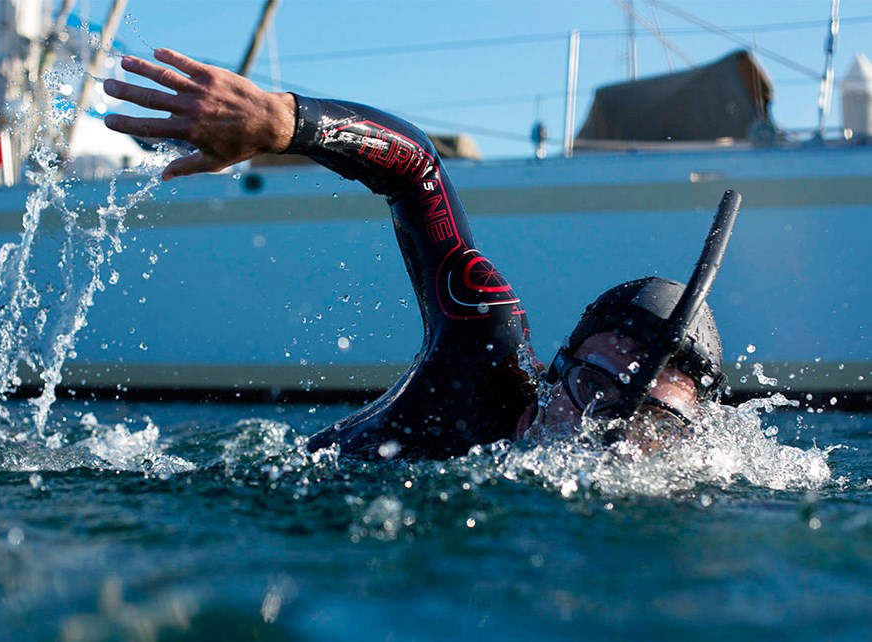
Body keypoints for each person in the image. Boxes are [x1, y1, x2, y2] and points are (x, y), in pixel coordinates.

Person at [103, 49, 728, 460]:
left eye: (653, 422)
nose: (605, 431)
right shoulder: (482, 347)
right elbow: (417, 174)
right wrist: (288, 123)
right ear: (557, 366)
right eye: (591, 385)